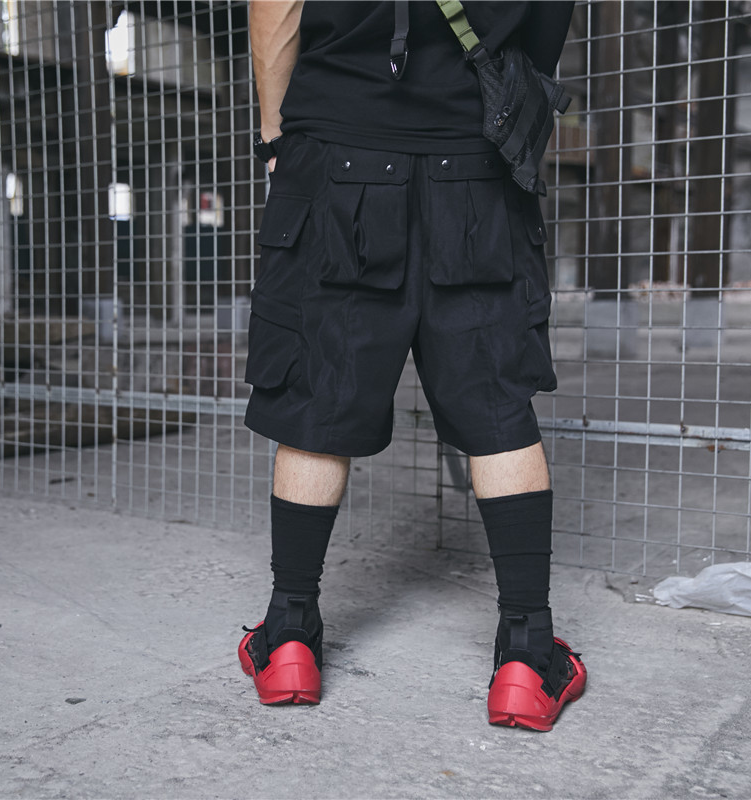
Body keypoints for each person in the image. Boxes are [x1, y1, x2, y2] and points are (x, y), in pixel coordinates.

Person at [237, 0, 583, 731]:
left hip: (335, 149)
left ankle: (289, 639)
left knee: (317, 402)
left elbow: (278, 7)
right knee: (498, 409)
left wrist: (275, 135)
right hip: (475, 160)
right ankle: (526, 657)